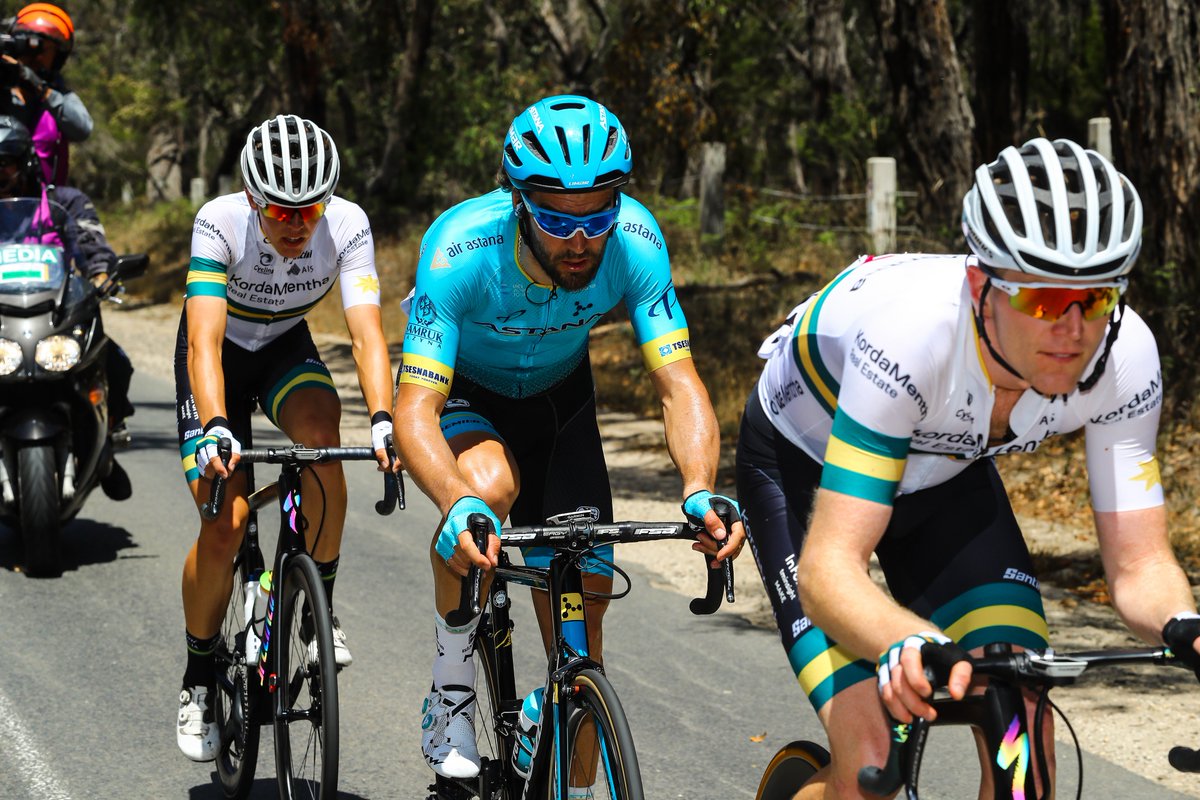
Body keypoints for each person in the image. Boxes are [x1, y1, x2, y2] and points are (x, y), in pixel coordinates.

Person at [735, 137, 1200, 798]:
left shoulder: (1126, 358)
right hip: (804, 468)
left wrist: (1186, 627)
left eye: (1095, 299)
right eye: (1043, 300)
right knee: (870, 763)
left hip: (943, 481)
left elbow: (1142, 568)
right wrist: (909, 638)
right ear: (982, 285)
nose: (1072, 328)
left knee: (1023, 739)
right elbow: (829, 572)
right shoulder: (912, 337)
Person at [392, 93, 746, 784]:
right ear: (518, 203)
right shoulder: (460, 248)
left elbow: (679, 384)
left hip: (561, 404)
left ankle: (544, 712)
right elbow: (414, 410)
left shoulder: (637, 241)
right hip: (469, 394)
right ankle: (451, 690)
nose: (581, 240)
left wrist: (700, 488)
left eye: (598, 218)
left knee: (580, 727)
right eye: (556, 221)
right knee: (488, 489)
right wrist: (453, 501)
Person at [174, 114, 395, 762]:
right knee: (226, 520)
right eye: (281, 210)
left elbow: (366, 335)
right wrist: (216, 425)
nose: (299, 224)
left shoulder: (348, 225)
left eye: (311, 209)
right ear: (251, 197)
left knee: (325, 442)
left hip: (282, 351)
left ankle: (313, 602)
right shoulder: (219, 220)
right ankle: (198, 676)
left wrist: (383, 415)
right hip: (216, 358)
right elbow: (205, 341)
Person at [0, 113, 132, 499]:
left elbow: (93, 245)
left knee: (115, 361)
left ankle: (107, 442)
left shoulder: (65, 201)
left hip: (56, 315)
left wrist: (101, 274)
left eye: (4, 162)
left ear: (25, 160)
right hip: (2, 320)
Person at [2, 3, 91, 184]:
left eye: (43, 49)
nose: (36, 57)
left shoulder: (59, 95)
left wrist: (39, 88)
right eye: (27, 47)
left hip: (43, 205)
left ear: (58, 56)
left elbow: (82, 129)